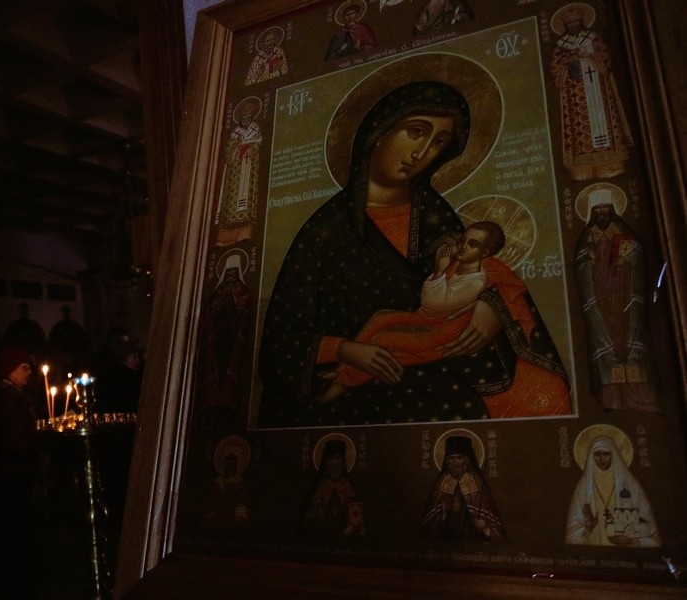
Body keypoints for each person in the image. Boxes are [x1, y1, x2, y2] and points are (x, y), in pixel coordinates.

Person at [257, 80, 569, 427]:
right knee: (452, 408)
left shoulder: (435, 215)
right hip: (371, 383)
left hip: (444, 359)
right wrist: (346, 350)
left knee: (540, 396)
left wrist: (493, 308)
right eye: (416, 132)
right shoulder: (324, 231)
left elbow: (480, 270)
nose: (423, 153)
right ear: (379, 132)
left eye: (439, 142)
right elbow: (279, 344)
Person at [317, 221, 504, 403]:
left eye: (472, 244)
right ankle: (341, 369)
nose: (463, 246)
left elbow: (433, 303)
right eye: (463, 240)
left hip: (438, 333)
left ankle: (342, 383)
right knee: (380, 317)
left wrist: (439, 271)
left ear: (485, 253)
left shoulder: (476, 282)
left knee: (383, 339)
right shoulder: (459, 262)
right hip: (424, 319)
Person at [574, 187, 661, 412]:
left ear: (612, 209)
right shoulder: (588, 237)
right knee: (605, 341)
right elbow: (580, 265)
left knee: (631, 337)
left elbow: (637, 256)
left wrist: (628, 260)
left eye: (606, 208)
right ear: (592, 212)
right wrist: (591, 262)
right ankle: (611, 399)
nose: (602, 213)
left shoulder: (622, 231)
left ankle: (640, 396)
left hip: (625, 295)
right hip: (600, 297)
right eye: (598, 209)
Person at [0, 344, 48, 598]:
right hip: (13, 476)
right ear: (9, 370)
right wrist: (41, 440)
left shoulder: (18, 396)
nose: (29, 371)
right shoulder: (6, 401)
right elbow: (15, 441)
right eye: (23, 367)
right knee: (16, 532)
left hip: (20, 473)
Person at [548, 3, 632, 180]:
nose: (573, 26)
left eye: (576, 22)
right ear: (565, 25)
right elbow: (555, 69)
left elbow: (606, 59)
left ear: (582, 22)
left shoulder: (593, 39)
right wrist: (569, 60)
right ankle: (583, 169)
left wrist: (590, 55)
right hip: (575, 98)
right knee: (579, 132)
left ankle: (610, 166)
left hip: (598, 90)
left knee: (604, 122)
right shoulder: (561, 46)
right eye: (569, 24)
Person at [566, 430, 660, 547]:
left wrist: (632, 539)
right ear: (591, 456)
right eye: (597, 454)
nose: (601, 459)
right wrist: (588, 529)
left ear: (613, 455)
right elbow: (572, 534)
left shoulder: (631, 487)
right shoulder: (583, 489)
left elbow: (651, 534)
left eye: (606, 454)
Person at [194, 251, 252, 430]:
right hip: (219, 336)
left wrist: (236, 304)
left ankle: (227, 408)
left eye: (234, 271)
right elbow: (211, 310)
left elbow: (244, 308)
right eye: (229, 272)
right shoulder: (219, 290)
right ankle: (211, 407)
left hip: (233, 335)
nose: (231, 274)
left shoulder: (241, 289)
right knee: (215, 367)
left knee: (230, 367)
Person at [420, 435, 506, 541]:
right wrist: (443, 514)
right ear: (447, 461)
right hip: (447, 536)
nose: (456, 463)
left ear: (466, 460)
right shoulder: (442, 481)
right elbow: (430, 523)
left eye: (459, 458)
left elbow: (495, 528)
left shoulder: (476, 482)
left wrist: (485, 528)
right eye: (452, 458)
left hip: (471, 535)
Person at [216, 97, 263, 246]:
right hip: (234, 173)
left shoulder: (255, 128)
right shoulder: (236, 131)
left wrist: (250, 148)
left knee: (245, 201)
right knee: (230, 199)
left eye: (249, 107)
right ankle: (226, 236)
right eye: (244, 107)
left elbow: (257, 144)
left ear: (253, 110)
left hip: (247, 168)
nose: (246, 109)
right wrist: (237, 145)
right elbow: (229, 149)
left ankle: (244, 234)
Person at [301, 438, 365, 535]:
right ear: (327, 462)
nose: (336, 463)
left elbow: (356, 515)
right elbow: (308, 521)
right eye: (332, 459)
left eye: (338, 459)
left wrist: (355, 527)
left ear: (342, 463)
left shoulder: (348, 486)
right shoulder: (320, 486)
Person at [201, 435, 252, 534]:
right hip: (219, 519)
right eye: (228, 459)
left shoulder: (241, 483)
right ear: (223, 461)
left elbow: (244, 504)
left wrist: (240, 516)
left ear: (238, 460)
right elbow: (210, 504)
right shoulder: (218, 483)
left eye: (233, 459)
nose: (230, 462)